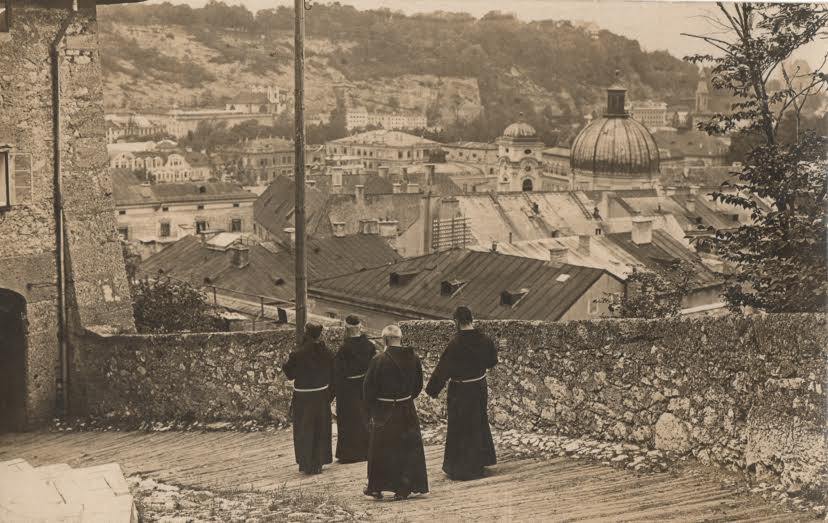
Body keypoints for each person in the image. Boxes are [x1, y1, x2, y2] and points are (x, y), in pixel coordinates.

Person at [425, 306, 497, 480]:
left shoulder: (455, 344)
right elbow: (492, 361)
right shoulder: (486, 340)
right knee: (477, 423)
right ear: (472, 319)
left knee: (460, 428)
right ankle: (478, 464)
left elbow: (443, 369)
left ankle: (462, 469)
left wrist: (432, 390)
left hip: (461, 390)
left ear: (456, 322)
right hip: (479, 387)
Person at [363, 324, 429, 501]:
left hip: (384, 410)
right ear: (400, 339)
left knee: (380, 449)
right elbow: (418, 385)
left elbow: (368, 389)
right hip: (407, 409)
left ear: (385, 340)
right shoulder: (414, 358)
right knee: (407, 449)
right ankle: (403, 488)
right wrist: (406, 398)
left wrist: (371, 409)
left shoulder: (378, 359)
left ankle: (376, 488)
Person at [282, 323, 335, 475]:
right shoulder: (326, 352)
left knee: (304, 429)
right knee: (320, 428)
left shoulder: (297, 354)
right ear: (320, 334)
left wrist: (284, 364)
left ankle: (306, 463)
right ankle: (318, 462)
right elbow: (333, 370)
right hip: (321, 394)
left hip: (303, 396)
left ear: (306, 333)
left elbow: (290, 374)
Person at [333, 315, 377, 463]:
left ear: (346, 329)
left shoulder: (343, 349)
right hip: (365, 385)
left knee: (349, 420)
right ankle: (367, 451)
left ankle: (350, 454)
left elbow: (338, 372)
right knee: (365, 417)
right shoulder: (370, 346)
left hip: (348, 388)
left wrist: (334, 392)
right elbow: (374, 367)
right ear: (360, 327)